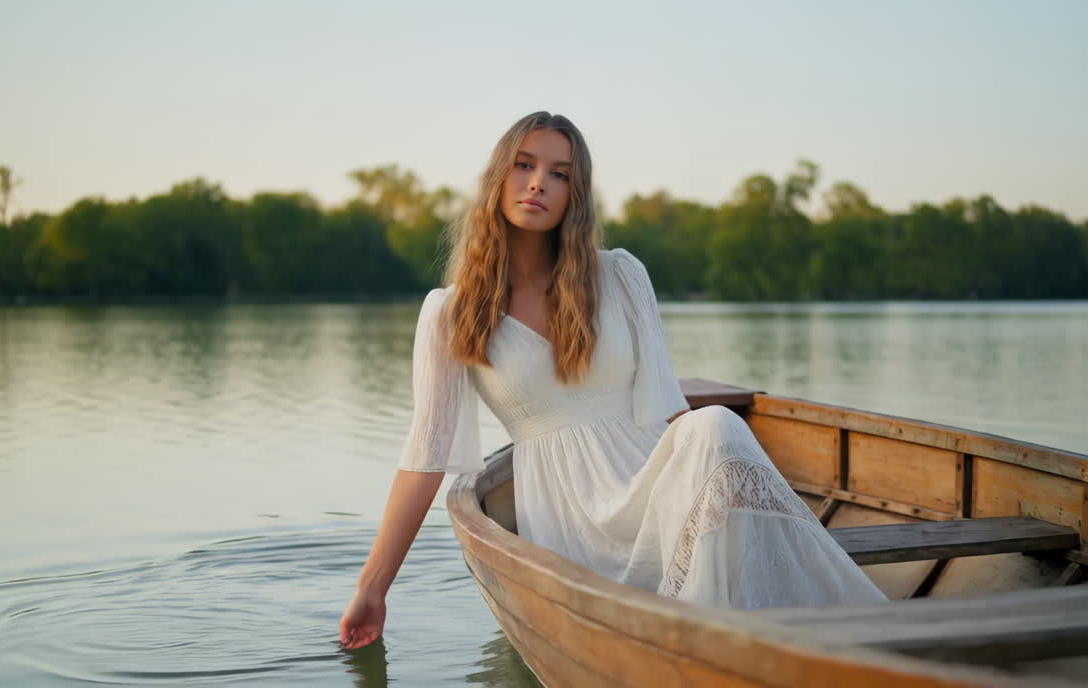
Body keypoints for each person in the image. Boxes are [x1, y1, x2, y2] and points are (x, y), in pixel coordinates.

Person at [339, 111, 885, 650]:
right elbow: (424, 458)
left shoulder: (621, 275)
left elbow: (670, 410)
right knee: (714, 428)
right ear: (497, 178)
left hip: (650, 481)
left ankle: (776, 630)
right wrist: (373, 588)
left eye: (560, 173)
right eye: (524, 165)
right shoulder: (451, 312)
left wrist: (715, 483)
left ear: (576, 193)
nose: (538, 183)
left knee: (715, 425)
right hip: (567, 514)